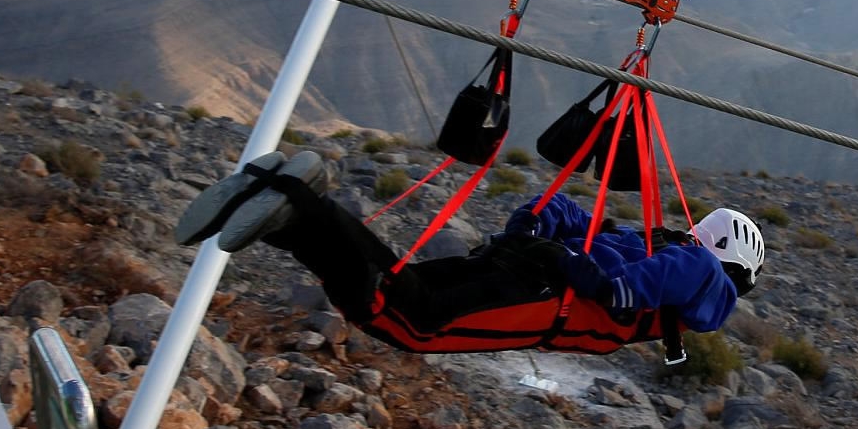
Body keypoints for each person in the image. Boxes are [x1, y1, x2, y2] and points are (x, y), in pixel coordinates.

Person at [175, 150, 765, 355]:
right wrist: (558, 259)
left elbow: (576, 222)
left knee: (395, 292)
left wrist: (533, 225)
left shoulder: (659, 249)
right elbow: (609, 291)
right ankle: (304, 206)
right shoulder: (705, 276)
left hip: (527, 268)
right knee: (407, 320)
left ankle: (287, 206)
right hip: (543, 297)